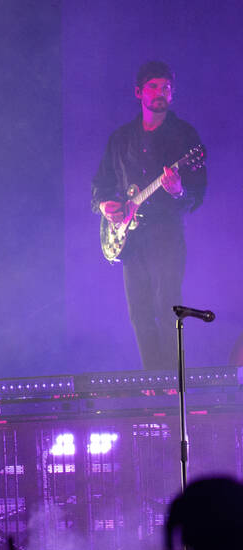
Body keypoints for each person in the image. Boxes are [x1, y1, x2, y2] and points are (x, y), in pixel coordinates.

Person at [92, 60, 207, 370]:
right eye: (154, 87)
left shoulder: (184, 136)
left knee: (168, 306)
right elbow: (100, 185)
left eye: (167, 88)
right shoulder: (120, 139)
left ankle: (172, 379)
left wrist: (178, 191)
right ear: (139, 92)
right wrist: (105, 205)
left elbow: (196, 196)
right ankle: (152, 382)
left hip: (166, 234)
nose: (161, 93)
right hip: (131, 240)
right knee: (139, 312)